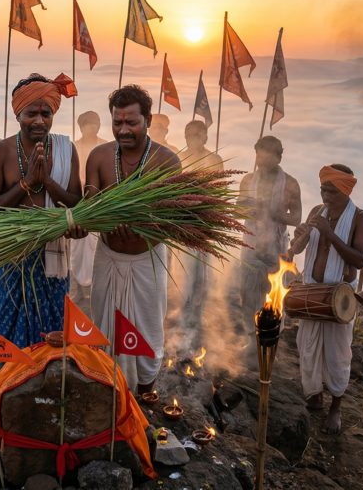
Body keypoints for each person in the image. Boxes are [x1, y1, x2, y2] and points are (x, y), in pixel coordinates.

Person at [86, 85, 182, 394]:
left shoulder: (167, 160)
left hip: (147, 260)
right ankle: (109, 395)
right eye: (117, 122)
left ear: (148, 120)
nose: (123, 130)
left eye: (132, 122)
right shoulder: (99, 157)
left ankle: (145, 396)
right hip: (108, 257)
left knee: (147, 329)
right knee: (105, 329)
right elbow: (90, 205)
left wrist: (144, 229)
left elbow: (174, 221)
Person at [0, 73, 85, 348]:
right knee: (10, 327)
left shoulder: (65, 149)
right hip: (13, 256)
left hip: (54, 258)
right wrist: (27, 183)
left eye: (46, 114)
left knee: (53, 334)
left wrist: (47, 182)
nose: (39, 121)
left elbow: (76, 204)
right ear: (17, 114)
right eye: (31, 114)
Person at [288, 164, 363, 434]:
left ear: (346, 191)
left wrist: (329, 233)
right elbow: (299, 249)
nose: (325, 195)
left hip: (339, 296)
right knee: (307, 345)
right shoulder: (317, 211)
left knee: (337, 353)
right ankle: (315, 394)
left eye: (332, 191)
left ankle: (335, 407)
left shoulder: (360, 218)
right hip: (312, 290)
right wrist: (298, 240)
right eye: (323, 189)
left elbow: (358, 260)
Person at [232, 136, 301, 344]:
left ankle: (269, 345)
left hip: (276, 248)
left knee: (274, 299)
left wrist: (271, 212)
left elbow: (296, 219)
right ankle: (251, 343)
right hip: (250, 246)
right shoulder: (247, 180)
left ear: (278, 157)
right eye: (258, 154)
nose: (261, 160)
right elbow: (236, 211)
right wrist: (251, 208)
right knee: (247, 296)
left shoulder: (290, 183)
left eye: (267, 155)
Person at [169, 121, 225, 349]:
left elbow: (221, 190)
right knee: (185, 276)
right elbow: (171, 191)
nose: (194, 138)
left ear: (205, 137)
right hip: (183, 226)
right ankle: (182, 318)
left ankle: (197, 317)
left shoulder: (215, 160)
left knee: (202, 276)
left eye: (198, 134)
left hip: (205, 224)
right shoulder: (177, 158)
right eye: (190, 134)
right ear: (184, 136)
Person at [71, 110, 107, 301]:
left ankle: (95, 289)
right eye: (86, 124)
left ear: (99, 126)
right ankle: (78, 289)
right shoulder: (73, 147)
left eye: (94, 124)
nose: (90, 128)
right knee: (77, 248)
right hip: (78, 203)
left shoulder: (106, 146)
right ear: (81, 127)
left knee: (96, 248)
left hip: (101, 204)